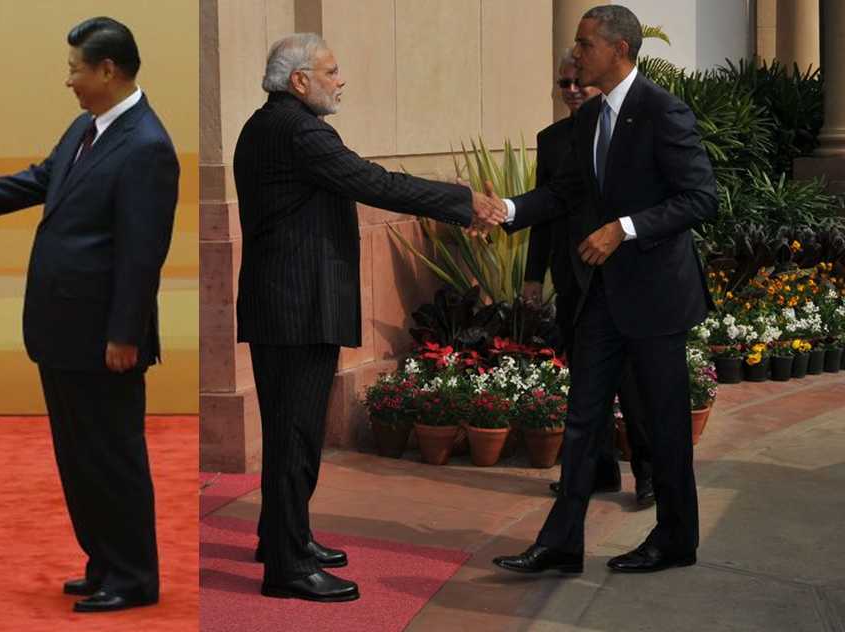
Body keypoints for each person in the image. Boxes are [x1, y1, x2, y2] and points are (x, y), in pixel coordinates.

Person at [0, 17, 175, 613]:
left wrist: (124, 333)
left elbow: (143, 253)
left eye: (75, 69)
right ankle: (103, 561)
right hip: (63, 331)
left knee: (113, 457)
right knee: (80, 457)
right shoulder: (89, 126)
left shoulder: (147, 145)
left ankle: (133, 577)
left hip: (104, 338)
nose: (69, 80)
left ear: (107, 70)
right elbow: (43, 178)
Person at [233, 33, 505, 603]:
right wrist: (465, 203)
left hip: (284, 304)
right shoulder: (301, 131)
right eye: (331, 71)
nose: (341, 80)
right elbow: (374, 182)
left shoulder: (265, 125)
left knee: (292, 432)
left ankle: (282, 537)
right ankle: (286, 566)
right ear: (299, 81)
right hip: (297, 308)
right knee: (295, 434)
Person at [490, 4, 716, 576]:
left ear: (620, 49)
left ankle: (676, 539)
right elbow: (563, 192)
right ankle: (562, 544)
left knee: (664, 425)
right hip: (599, 298)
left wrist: (625, 228)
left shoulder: (663, 111)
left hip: (657, 299)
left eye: (585, 44)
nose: (576, 54)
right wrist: (507, 210)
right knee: (582, 419)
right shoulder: (589, 118)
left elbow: (700, 198)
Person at [525, 50, 655, 509]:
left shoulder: (632, 129)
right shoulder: (551, 140)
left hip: (625, 274)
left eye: (579, 80)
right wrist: (533, 275)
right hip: (573, 278)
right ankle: (597, 472)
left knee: (632, 382)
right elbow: (546, 209)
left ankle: (648, 474)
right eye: (564, 83)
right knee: (586, 380)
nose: (573, 90)